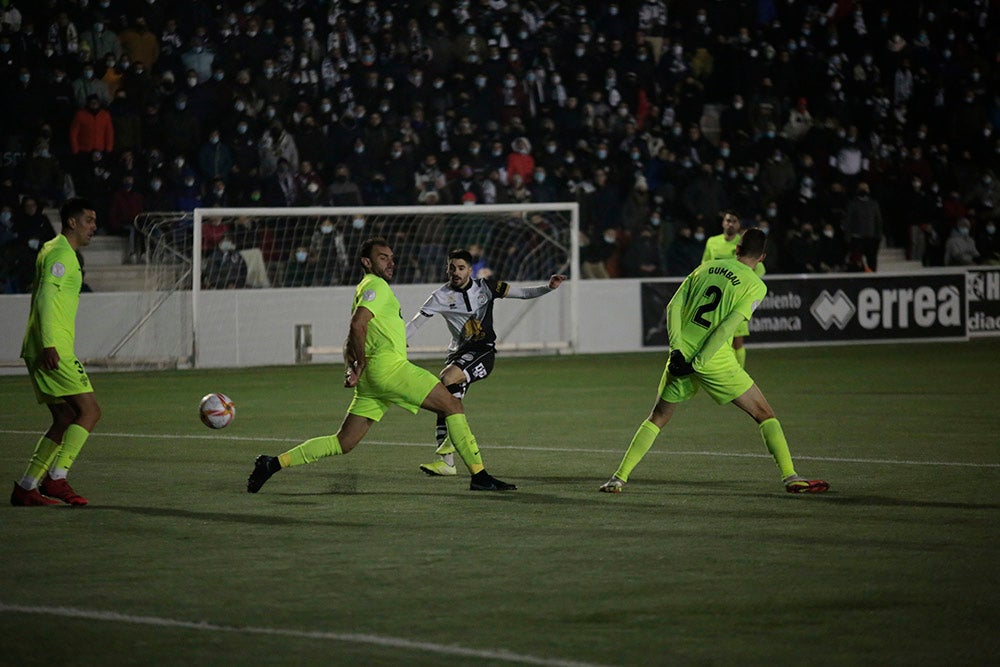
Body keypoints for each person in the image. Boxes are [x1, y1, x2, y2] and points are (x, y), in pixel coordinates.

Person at [248, 237, 516, 493]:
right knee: (452, 404)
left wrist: (352, 367)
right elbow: (356, 325)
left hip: (372, 381)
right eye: (383, 257)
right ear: (367, 262)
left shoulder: (362, 290)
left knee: (343, 442)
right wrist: (361, 363)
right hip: (390, 370)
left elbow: (350, 335)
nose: (390, 263)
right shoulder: (376, 287)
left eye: (392, 258)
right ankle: (479, 476)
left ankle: (273, 463)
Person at [598, 228, 828, 495]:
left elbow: (672, 306)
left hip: (682, 353)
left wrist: (677, 351)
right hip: (714, 359)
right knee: (764, 414)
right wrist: (700, 362)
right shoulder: (756, 285)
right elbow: (725, 329)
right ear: (762, 257)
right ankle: (790, 476)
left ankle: (618, 478)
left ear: (737, 248)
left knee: (658, 417)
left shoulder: (707, 267)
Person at [405, 248, 567, 476]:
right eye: (452, 267)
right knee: (446, 402)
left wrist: (548, 287)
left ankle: (451, 452)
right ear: (447, 268)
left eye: (461, 268)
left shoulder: (487, 287)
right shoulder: (440, 297)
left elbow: (522, 294)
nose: (456, 272)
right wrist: (399, 341)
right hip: (458, 354)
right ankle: (447, 463)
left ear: (470, 270)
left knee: (447, 379)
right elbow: (415, 324)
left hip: (483, 351)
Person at [12, 198, 101, 506]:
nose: (94, 226)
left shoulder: (53, 249)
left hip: (40, 345)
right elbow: (46, 298)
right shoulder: (61, 254)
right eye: (88, 220)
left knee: (64, 417)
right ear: (71, 222)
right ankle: (57, 478)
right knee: (90, 412)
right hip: (53, 348)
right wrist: (50, 343)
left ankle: (26, 487)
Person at [700, 209, 764, 368]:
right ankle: (719, 370)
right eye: (728, 220)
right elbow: (705, 266)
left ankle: (738, 372)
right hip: (718, 297)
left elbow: (759, 269)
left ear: (738, 224)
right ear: (723, 223)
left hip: (736, 298)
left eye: (734, 221)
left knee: (737, 342)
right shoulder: (712, 242)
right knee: (717, 338)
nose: (730, 224)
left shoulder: (743, 244)